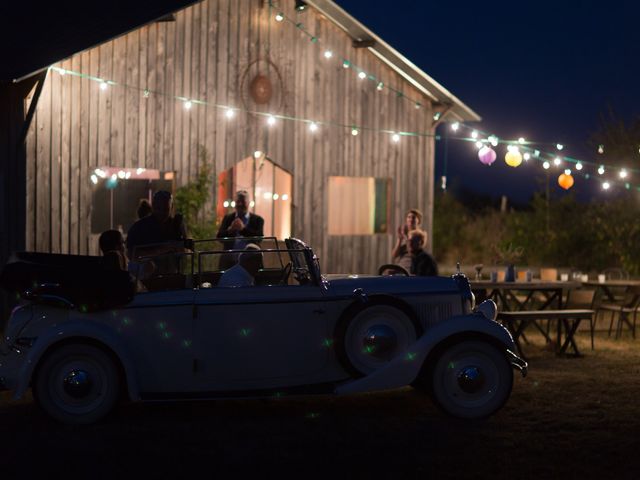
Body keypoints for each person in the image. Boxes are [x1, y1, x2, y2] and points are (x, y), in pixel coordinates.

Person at [126, 190, 187, 259]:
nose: (162, 212)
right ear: (153, 206)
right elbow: (131, 254)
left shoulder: (175, 226)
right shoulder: (139, 228)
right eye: (158, 208)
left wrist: (183, 233)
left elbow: (184, 252)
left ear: (171, 208)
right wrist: (163, 250)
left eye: (166, 209)